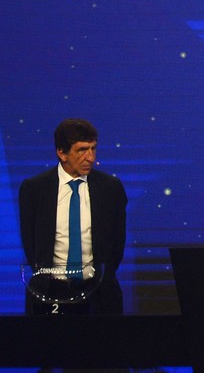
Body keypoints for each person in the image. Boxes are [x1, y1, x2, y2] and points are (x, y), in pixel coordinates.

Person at [19, 118, 127, 314]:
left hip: (99, 294)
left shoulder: (111, 188)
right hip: (48, 293)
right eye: (82, 150)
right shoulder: (34, 189)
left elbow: (117, 244)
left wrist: (104, 275)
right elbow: (31, 244)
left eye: (93, 149)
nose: (91, 157)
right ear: (62, 153)